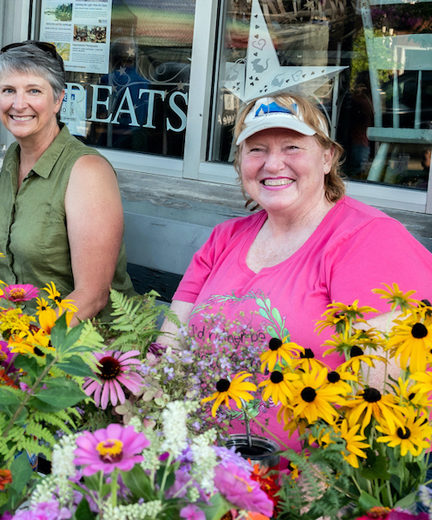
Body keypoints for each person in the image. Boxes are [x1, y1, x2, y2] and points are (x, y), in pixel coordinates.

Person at [158, 93, 432, 449]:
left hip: (305, 483)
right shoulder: (223, 239)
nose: (273, 164)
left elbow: (383, 398)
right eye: (256, 149)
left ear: (327, 158)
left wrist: (318, 487)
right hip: (202, 468)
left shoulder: (368, 239)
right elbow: (170, 344)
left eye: (292, 147)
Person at [0, 40, 135, 321]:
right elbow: (10, 227)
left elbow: (92, 296)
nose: (18, 104)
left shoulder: (86, 171)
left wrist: (27, 348)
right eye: (8, 90)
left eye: (34, 91)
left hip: (72, 343)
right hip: (8, 329)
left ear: (58, 99)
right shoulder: (15, 154)